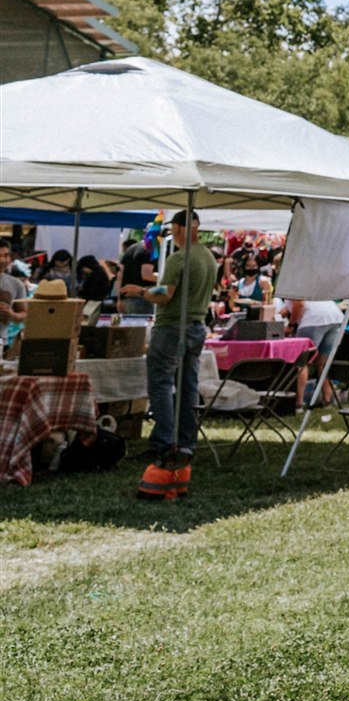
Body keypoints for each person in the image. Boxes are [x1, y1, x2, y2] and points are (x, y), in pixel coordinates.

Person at [138, 211, 217, 500]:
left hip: (172, 327)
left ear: (182, 228)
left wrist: (141, 291)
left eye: (173, 227)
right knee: (187, 386)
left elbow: (165, 294)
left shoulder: (178, 258)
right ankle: (185, 443)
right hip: (197, 325)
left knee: (160, 384)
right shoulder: (208, 257)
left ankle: (164, 443)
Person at [286, 296, 348, 406]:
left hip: (313, 320)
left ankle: (298, 403)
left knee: (302, 362)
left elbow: (299, 304)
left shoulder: (292, 285)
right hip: (334, 317)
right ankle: (327, 400)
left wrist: (290, 325)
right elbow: (286, 309)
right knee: (322, 364)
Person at [117, 234, 156, 315]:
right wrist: (165, 278)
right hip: (142, 299)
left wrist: (119, 299)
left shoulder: (131, 248)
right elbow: (146, 274)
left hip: (126, 299)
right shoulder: (150, 249)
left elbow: (119, 274)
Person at [0, 238, 29, 326]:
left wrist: (12, 315)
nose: (2, 260)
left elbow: (24, 313)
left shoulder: (17, 284)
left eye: (6, 256)